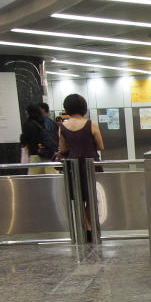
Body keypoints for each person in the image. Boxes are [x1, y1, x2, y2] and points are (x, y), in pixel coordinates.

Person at [58, 94, 104, 235]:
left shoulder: (62, 127)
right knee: (93, 196)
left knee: (78, 197)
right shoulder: (91, 124)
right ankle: (90, 227)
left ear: (67, 108)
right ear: (84, 107)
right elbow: (100, 146)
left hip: (73, 166)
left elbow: (63, 149)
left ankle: (86, 227)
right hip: (91, 165)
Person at [21, 103, 59, 174]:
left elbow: (24, 140)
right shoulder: (44, 122)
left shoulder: (28, 124)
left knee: (35, 179)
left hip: (35, 155)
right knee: (51, 177)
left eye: (27, 113)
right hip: (47, 153)